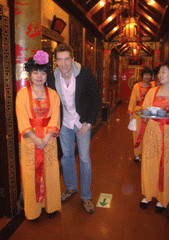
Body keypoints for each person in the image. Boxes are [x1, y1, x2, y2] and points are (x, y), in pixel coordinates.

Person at [52, 43, 101, 213]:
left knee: (85, 158)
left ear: (72, 59)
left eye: (67, 59)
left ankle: (86, 195)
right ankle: (71, 187)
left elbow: (96, 97)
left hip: (81, 123)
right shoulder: (53, 77)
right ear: (56, 61)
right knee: (66, 156)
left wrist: (88, 123)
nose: (64, 63)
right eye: (60, 60)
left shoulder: (84, 73)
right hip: (64, 123)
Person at [16, 50, 62, 220]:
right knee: (30, 176)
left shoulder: (53, 94)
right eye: (35, 72)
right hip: (30, 142)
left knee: (50, 173)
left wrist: (46, 138)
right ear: (30, 74)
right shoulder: (21, 95)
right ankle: (33, 211)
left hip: (48, 141)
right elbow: (22, 120)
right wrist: (36, 139)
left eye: (43, 72)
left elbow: (55, 117)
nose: (39, 76)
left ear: (47, 74)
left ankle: (51, 207)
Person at [139, 62, 169, 214]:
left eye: (164, 72)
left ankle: (162, 199)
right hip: (151, 132)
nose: (160, 75)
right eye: (159, 72)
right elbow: (144, 109)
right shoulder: (152, 92)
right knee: (149, 162)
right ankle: (147, 194)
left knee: (167, 165)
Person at [127, 67, 153, 163]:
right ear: (142, 75)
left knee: (149, 134)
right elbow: (133, 99)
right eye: (145, 74)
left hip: (149, 114)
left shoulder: (153, 86)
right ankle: (137, 154)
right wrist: (130, 113)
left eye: (149, 74)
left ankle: (146, 153)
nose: (147, 76)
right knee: (137, 134)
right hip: (137, 114)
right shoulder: (136, 86)